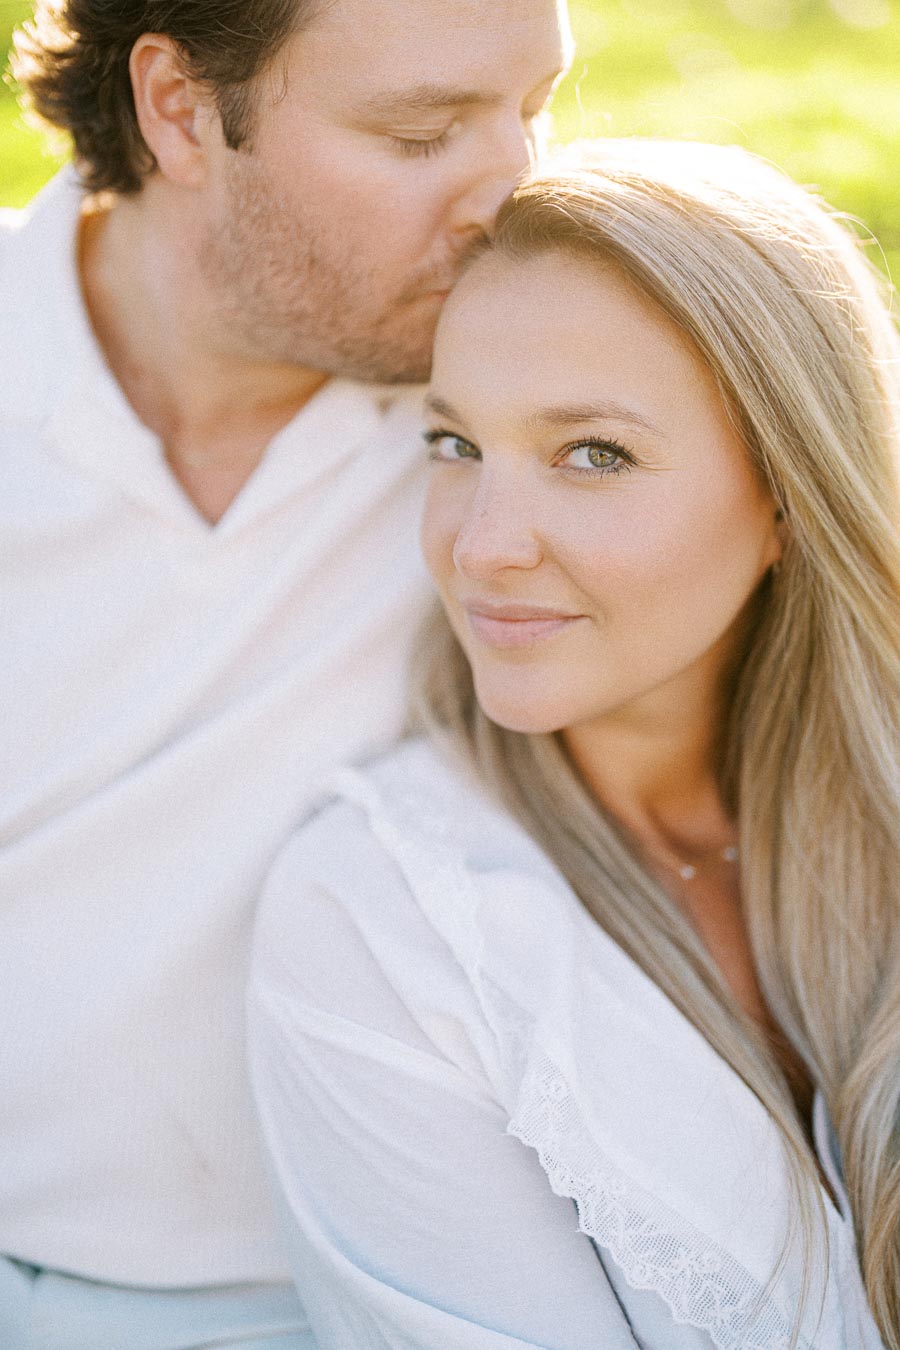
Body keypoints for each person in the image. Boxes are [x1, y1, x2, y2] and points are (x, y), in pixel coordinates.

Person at [248, 140, 900, 1349]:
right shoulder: (382, 916)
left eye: (592, 454)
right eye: (455, 445)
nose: (482, 545)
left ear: (791, 499)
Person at [0, 0, 573, 1344]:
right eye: (423, 131)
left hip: (361, 1300)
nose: (516, 192)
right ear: (182, 111)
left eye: (538, 105)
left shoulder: (542, 405)